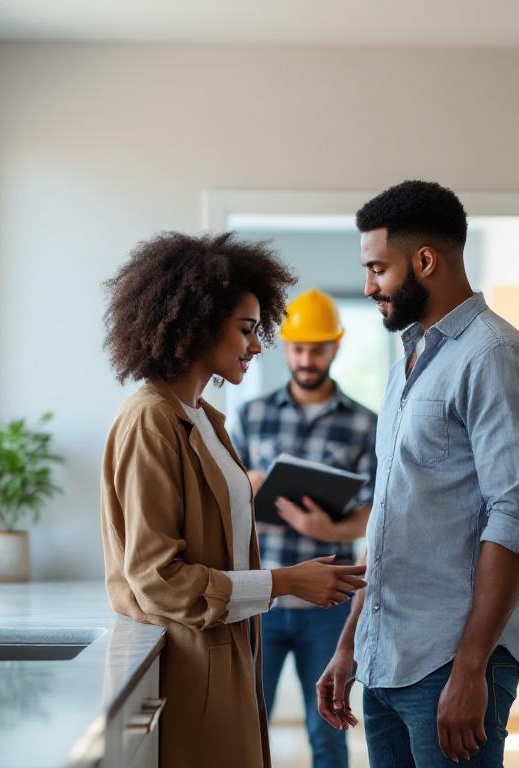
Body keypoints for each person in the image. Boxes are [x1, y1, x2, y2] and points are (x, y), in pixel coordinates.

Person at [100, 232, 368, 768]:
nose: (257, 345)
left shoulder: (204, 419)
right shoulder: (151, 419)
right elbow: (158, 579)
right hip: (190, 659)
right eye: (247, 330)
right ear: (198, 324)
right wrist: (286, 582)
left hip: (224, 648)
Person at [315, 181, 519, 766]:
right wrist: (350, 643)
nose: (369, 286)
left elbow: (516, 518)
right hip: (387, 659)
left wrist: (472, 666)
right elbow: (395, 520)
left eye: (378, 268)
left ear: (424, 261)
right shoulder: (410, 363)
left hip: (451, 664)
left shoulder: (494, 356)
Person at [230, 288, 378, 768]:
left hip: (330, 603)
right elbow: (221, 502)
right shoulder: (252, 416)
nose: (307, 358)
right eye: (298, 347)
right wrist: (245, 485)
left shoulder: (365, 424)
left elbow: (379, 514)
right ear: (286, 348)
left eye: (317, 348)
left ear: (335, 348)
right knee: (248, 726)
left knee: (328, 728)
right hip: (262, 599)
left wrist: (330, 530)